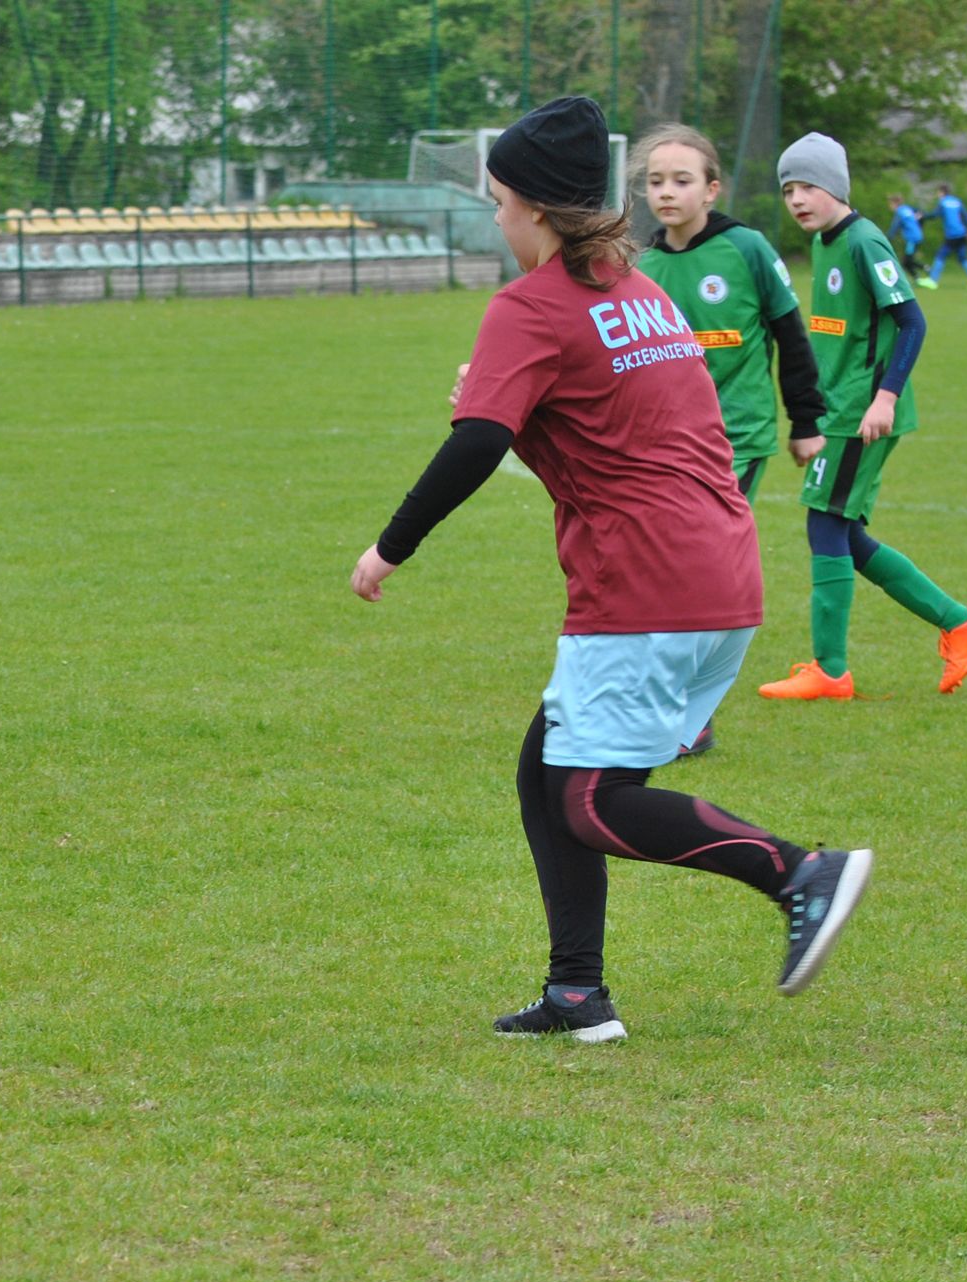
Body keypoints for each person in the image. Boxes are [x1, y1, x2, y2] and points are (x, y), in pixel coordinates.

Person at [351, 97, 871, 1043]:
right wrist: (507, 410)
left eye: (502, 201)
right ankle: (577, 993)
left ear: (539, 212)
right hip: (719, 568)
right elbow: (606, 427)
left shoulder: (530, 304)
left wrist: (390, 546)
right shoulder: (639, 289)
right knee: (543, 767)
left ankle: (800, 873)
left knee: (589, 799)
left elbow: (476, 444)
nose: (498, 217)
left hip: (645, 582)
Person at [760, 134, 967, 701]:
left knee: (825, 525)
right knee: (845, 533)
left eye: (808, 186)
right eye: (789, 189)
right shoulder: (824, 243)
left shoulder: (865, 242)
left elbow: (913, 322)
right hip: (838, 409)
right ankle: (960, 620)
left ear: (835, 187)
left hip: (862, 414)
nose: (797, 199)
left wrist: (884, 398)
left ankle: (831, 671)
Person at [633, 122, 826, 756]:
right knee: (667, 567)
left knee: (691, 568)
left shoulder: (746, 249)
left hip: (734, 439)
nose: (667, 192)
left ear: (711, 189)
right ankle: (673, 703)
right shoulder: (642, 263)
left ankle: (689, 716)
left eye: (682, 180)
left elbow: (791, 337)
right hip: (662, 442)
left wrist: (806, 421)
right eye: (656, 181)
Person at [921, 182, 967, 290]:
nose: (938, 195)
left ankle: (933, 281)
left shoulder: (943, 202)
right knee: (962, 257)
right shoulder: (957, 201)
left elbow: (935, 215)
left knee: (940, 255)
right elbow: (966, 217)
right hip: (962, 233)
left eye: (938, 192)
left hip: (952, 234)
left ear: (942, 192)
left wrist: (923, 216)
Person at [885, 193, 925, 279]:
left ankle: (924, 269)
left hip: (912, 238)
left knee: (906, 261)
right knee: (907, 260)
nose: (890, 206)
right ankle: (918, 276)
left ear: (895, 204)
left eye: (891, 204)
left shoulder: (900, 212)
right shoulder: (907, 209)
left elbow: (894, 228)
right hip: (917, 236)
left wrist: (886, 239)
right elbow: (921, 212)